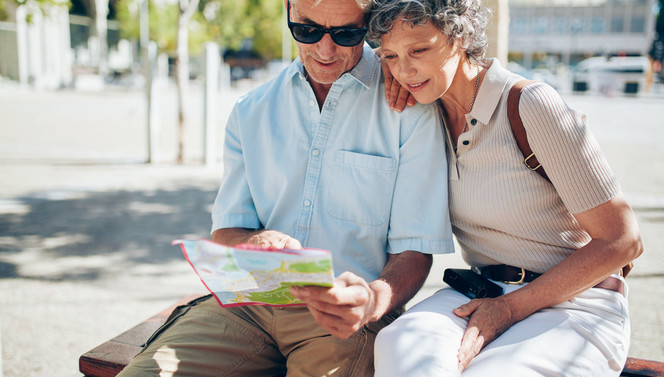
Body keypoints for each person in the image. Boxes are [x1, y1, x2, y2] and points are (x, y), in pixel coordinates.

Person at [117, 0, 454, 376]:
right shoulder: (251, 109)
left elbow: (415, 250)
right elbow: (228, 229)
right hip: (247, 305)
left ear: (369, 27)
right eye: (307, 30)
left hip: (345, 320)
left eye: (346, 34)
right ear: (288, 13)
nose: (325, 50)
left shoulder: (409, 107)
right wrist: (252, 242)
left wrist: (371, 302)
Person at [366, 0, 643, 376]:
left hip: (576, 302)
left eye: (419, 50)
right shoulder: (422, 111)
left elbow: (623, 240)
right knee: (399, 347)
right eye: (391, 56)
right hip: (482, 290)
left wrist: (512, 308)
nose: (404, 69)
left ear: (459, 36)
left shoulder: (531, 104)